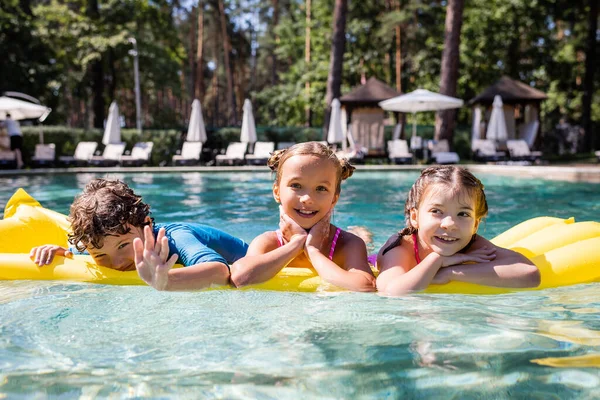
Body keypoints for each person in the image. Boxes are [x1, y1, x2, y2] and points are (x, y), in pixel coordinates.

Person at [29, 178, 248, 291]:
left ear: (146, 226)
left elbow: (221, 272)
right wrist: (60, 253)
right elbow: (81, 253)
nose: (116, 263)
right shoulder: (99, 247)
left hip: (252, 256)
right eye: (101, 256)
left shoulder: (176, 238)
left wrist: (166, 281)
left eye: (124, 246)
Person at [229, 141, 376, 292]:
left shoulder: (348, 244)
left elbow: (366, 286)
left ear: (334, 199)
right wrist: (296, 243)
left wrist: (313, 251)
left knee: (364, 241)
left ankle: (362, 233)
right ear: (277, 192)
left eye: (321, 188)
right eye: (296, 186)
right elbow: (239, 278)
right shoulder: (269, 242)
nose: (307, 198)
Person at [376, 165, 541, 295]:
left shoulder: (471, 244)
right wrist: (437, 260)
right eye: (436, 211)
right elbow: (392, 292)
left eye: (463, 214)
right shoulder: (400, 248)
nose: (450, 224)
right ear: (414, 217)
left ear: (475, 225)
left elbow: (530, 274)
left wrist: (451, 273)